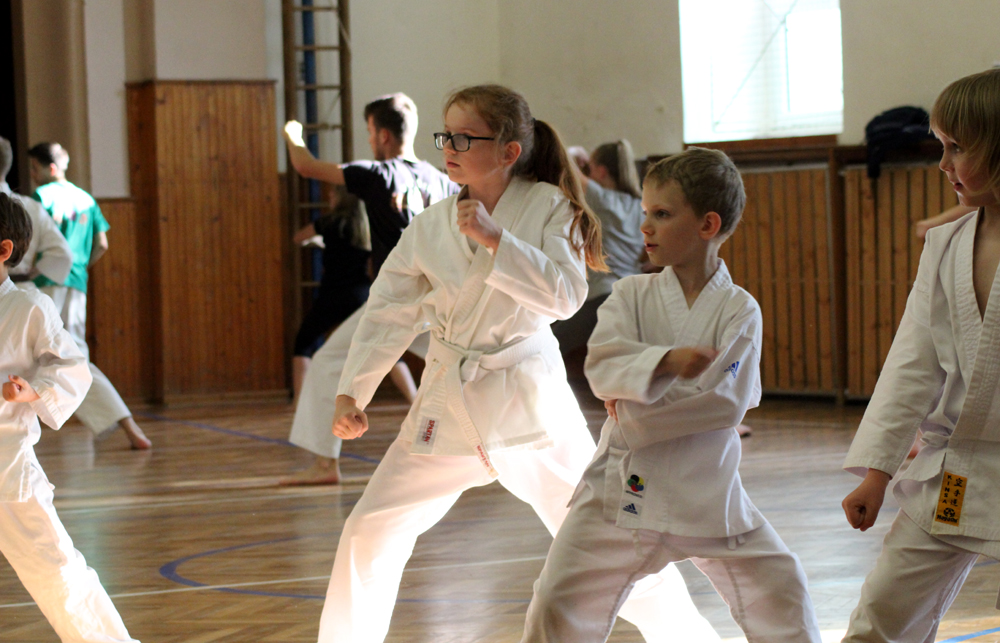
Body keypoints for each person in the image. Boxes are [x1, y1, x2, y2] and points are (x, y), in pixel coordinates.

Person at [318, 84, 721, 643]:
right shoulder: (432, 224)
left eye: (465, 137)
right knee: (369, 529)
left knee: (605, 541)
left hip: (530, 407)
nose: (449, 147)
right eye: (445, 135)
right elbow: (389, 308)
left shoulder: (549, 207)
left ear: (509, 151)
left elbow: (566, 295)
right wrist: (352, 392)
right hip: (449, 403)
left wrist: (495, 239)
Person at [519, 147, 821, 643]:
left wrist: (633, 409)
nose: (646, 227)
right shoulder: (630, 295)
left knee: (781, 589)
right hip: (620, 492)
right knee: (555, 602)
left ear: (707, 225)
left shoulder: (739, 309)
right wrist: (665, 363)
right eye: (645, 213)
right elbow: (601, 369)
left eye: (661, 214)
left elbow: (726, 402)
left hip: (707, 491)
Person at [840, 68, 1000, 642]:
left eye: (957, 148)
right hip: (956, 467)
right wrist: (877, 473)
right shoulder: (946, 244)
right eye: (942, 146)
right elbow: (912, 363)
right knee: (881, 615)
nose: (943, 164)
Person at [281, 93, 459, 485]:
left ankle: (325, 465)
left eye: (368, 132)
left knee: (328, 362)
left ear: (381, 135)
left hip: (399, 299)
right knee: (459, 364)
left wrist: (292, 134)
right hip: (439, 296)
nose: (368, 139)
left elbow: (306, 166)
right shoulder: (441, 179)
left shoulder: (379, 174)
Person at [0, 192, 139, 643]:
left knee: (55, 569)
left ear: (3, 250)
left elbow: (73, 366)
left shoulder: (28, 307)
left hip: (6, 467)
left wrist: (34, 390)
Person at [27, 143, 151, 450]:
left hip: (45, 282)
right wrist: (80, 269)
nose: (31, 175)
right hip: (76, 284)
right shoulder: (86, 199)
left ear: (50, 168)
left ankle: (124, 423)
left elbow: (33, 240)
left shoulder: (41, 197)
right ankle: (125, 424)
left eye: (34, 168)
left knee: (51, 354)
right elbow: (102, 244)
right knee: (71, 354)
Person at [552, 139, 643, 357]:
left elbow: (564, 165)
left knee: (546, 348)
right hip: (633, 299)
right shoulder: (641, 207)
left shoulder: (601, 199)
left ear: (601, 172)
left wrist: (575, 151)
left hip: (602, 297)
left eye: (590, 169)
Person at [290, 187, 371, 402]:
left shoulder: (329, 222)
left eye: (333, 195)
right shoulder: (365, 226)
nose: (330, 198)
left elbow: (299, 237)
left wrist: (321, 240)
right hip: (362, 294)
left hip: (334, 294)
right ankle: (412, 397)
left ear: (341, 199)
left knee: (304, 343)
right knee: (377, 346)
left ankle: (299, 404)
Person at [0, 137, 73, 289]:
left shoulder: (34, 203)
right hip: (21, 287)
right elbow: (62, 253)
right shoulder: (32, 206)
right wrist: (31, 273)